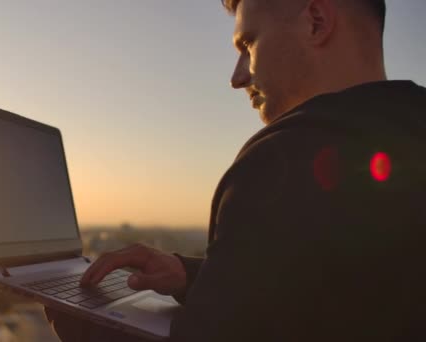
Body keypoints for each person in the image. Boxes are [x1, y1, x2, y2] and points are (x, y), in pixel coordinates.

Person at [47, 0, 426, 340]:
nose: (237, 77)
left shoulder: (281, 160)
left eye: (248, 44)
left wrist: (76, 319)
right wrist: (196, 276)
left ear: (315, 21)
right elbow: (353, 295)